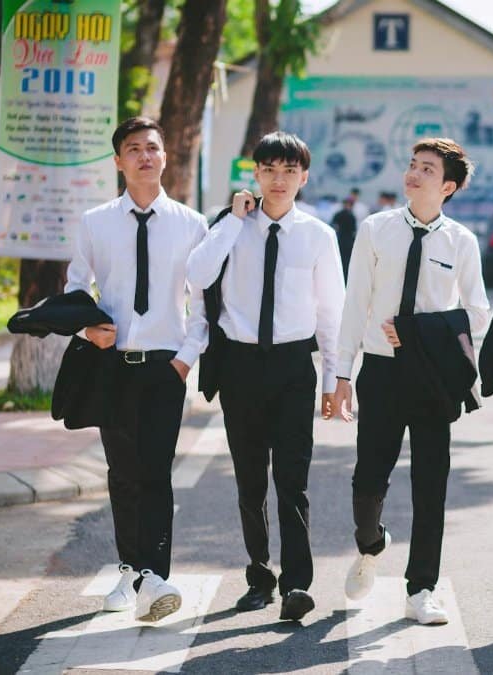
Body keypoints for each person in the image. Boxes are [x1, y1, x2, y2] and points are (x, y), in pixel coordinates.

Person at [186, 132, 344, 623]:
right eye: (270, 170)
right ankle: (259, 575)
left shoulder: (319, 235)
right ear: (254, 173)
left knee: (292, 480)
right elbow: (198, 274)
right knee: (250, 479)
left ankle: (297, 584)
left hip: (294, 367)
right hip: (240, 365)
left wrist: (333, 381)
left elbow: (330, 313)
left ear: (304, 176)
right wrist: (233, 221)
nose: (279, 180)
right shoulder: (229, 226)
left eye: (289, 171)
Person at [333, 138, 490, 625]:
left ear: (447, 186)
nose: (413, 174)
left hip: (432, 377)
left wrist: (421, 330)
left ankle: (421, 588)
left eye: (426, 169)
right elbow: (355, 301)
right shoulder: (376, 229)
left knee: (430, 485)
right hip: (380, 371)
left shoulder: (460, 241)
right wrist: (341, 372)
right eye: (412, 165)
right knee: (367, 481)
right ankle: (370, 542)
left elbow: (478, 313)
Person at [65, 116, 208, 622]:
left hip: (165, 368)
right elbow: (76, 288)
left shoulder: (192, 224)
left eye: (152, 147)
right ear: (119, 161)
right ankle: (135, 572)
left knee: (155, 472)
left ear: (166, 156)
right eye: (134, 149)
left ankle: (151, 576)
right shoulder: (95, 221)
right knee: (123, 473)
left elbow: (203, 302)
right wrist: (87, 329)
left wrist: (185, 360)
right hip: (115, 365)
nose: (145, 156)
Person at [331, 195, 359, 276]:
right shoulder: (351, 215)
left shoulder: (338, 214)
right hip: (349, 241)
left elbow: (333, 226)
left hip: (340, 240)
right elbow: (354, 230)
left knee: (340, 260)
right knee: (347, 262)